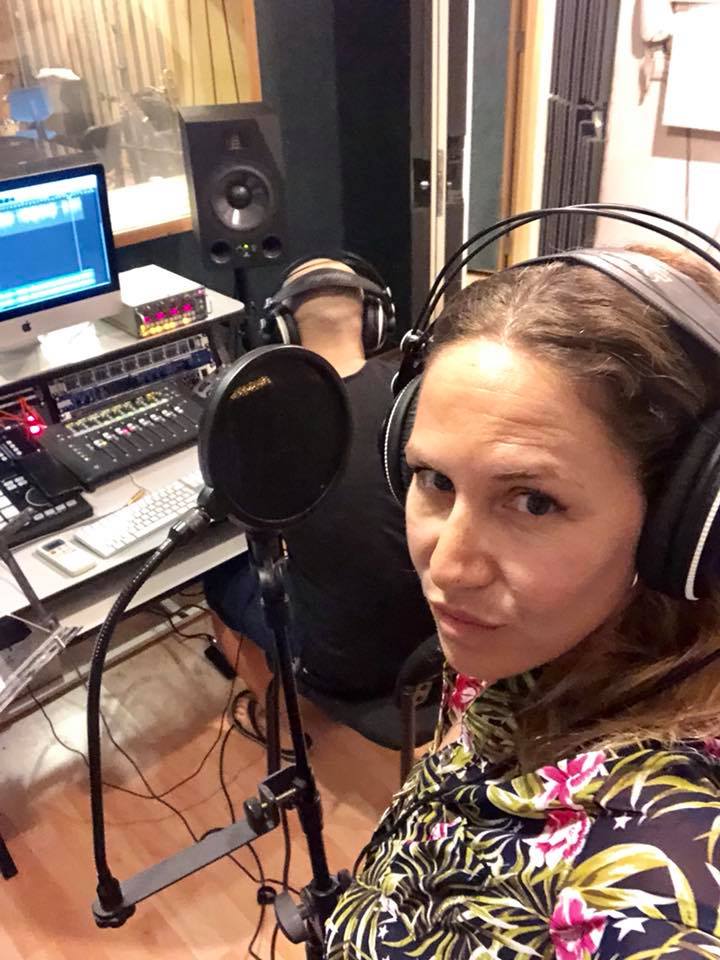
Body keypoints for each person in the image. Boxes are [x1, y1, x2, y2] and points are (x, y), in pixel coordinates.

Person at [325, 245, 720, 958]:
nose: (448, 568)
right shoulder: (536, 644)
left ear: (683, 524)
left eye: (533, 501)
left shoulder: (656, 897)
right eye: (434, 479)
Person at [204, 256, 434, 703]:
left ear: (282, 331)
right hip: (438, 644)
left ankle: (279, 715)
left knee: (219, 575)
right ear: (374, 321)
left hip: (341, 667)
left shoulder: (263, 413)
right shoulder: (419, 393)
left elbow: (236, 511)